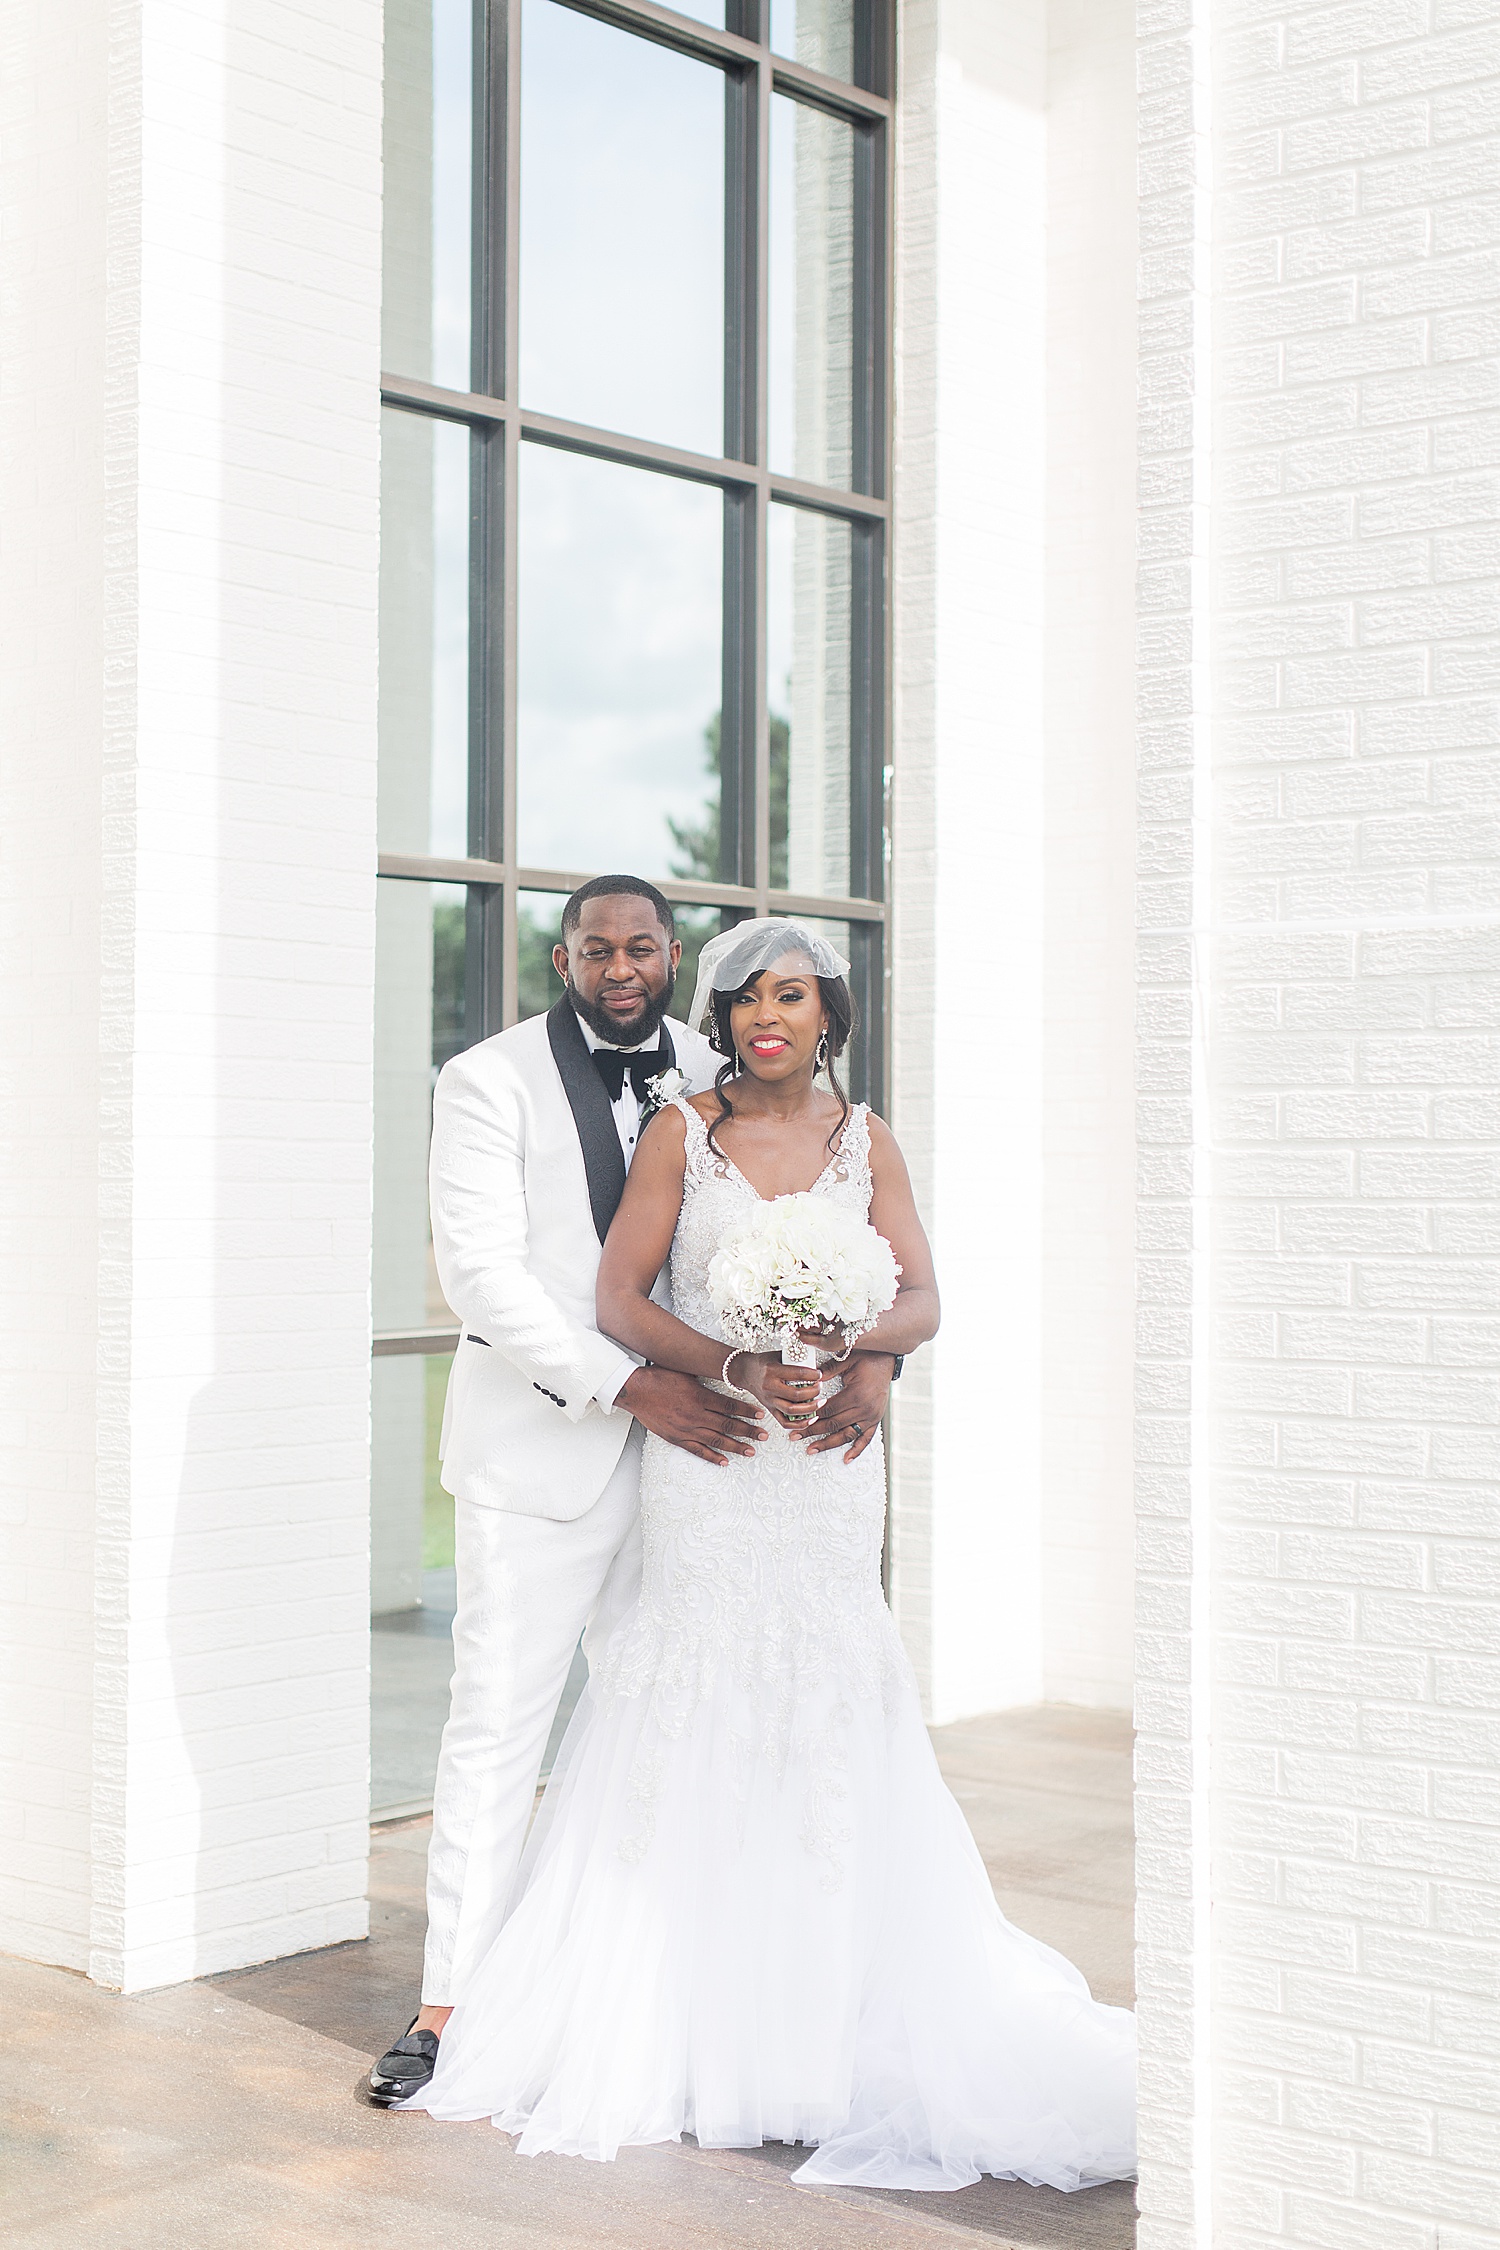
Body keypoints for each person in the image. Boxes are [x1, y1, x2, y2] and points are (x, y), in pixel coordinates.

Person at [400, 919, 1138, 2191]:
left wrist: (871, 1362)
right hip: (700, 1453)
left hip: (824, 1474)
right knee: (634, 1708)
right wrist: (739, 1366)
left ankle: (823, 2002)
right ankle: (493, 2008)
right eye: (746, 998)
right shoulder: (667, 1121)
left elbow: (919, 1295)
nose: (764, 1017)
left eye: (790, 996)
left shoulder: (867, 1138)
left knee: (828, 1707)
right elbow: (610, 1297)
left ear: (828, 1015)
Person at [367, 885, 898, 2106]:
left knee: (677, 1731)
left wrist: (877, 1357)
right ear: (563, 958)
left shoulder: (726, 1068)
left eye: (642, 948)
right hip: (548, 1456)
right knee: (499, 1728)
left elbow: (837, 1233)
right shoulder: (488, 1080)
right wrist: (629, 1386)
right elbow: (482, 1277)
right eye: (597, 948)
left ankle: (665, 1999)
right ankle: (450, 2006)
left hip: (707, 1475)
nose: (620, 967)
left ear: (673, 959)